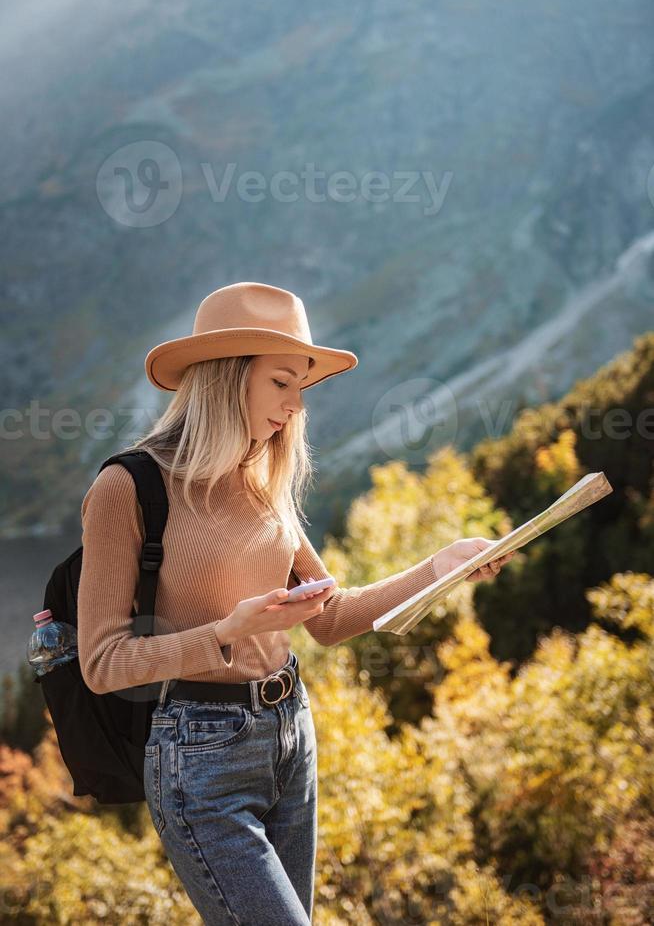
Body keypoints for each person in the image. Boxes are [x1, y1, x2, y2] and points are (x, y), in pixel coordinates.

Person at [76, 282, 514, 925]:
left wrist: (440, 567)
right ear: (228, 378)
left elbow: (332, 617)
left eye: (302, 386)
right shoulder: (128, 486)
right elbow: (102, 661)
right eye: (282, 382)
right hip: (201, 754)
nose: (296, 405)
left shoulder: (262, 480)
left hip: (291, 736)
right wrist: (227, 631)